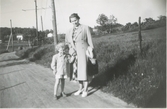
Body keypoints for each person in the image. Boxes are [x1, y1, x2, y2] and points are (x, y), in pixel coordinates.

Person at [65, 13, 94, 97]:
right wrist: (71, 51)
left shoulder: (85, 28)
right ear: (70, 22)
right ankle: (80, 88)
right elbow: (67, 43)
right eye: (72, 21)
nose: (74, 22)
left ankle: (86, 89)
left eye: (75, 20)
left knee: (84, 71)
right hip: (74, 53)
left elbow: (90, 41)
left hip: (83, 51)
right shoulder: (69, 31)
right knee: (77, 72)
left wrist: (91, 52)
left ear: (78, 19)